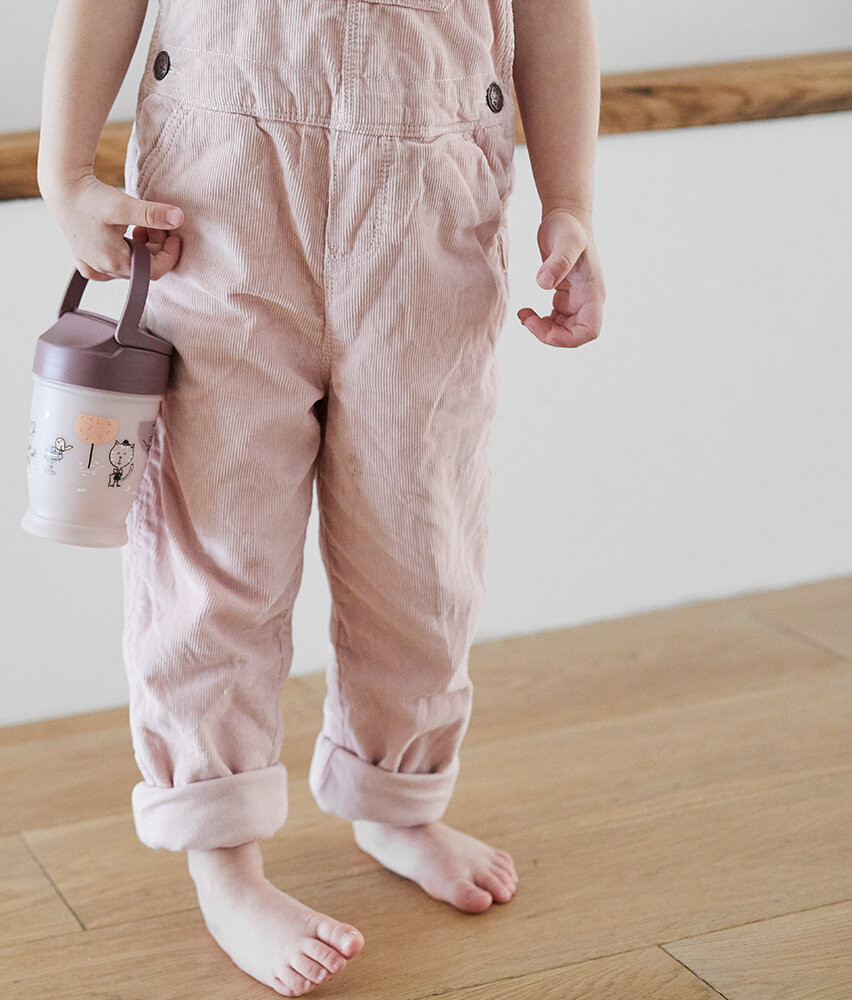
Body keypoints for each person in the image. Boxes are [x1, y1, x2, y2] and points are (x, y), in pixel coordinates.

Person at [37, 0, 605, 994]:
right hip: (218, 213)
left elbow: (553, 11)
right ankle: (223, 855)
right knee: (215, 548)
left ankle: (396, 798)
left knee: (420, 548)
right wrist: (65, 173)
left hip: (426, 216)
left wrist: (571, 201)